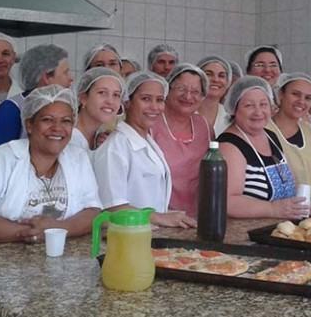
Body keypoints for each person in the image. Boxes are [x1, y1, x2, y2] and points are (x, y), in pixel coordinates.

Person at [0, 85, 102, 243]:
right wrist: (29, 233)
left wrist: (59, 229)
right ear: (29, 125)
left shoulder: (78, 158)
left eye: (66, 121)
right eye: (47, 120)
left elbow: (93, 211)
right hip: (3, 263)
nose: (57, 128)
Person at [93, 71, 197, 228]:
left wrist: (167, 216)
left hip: (147, 235)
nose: (154, 107)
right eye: (146, 99)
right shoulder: (115, 148)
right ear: (127, 102)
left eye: (160, 100)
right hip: (125, 240)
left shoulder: (147, 141)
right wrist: (159, 218)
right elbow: (112, 207)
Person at [217, 76, 307, 219]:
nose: (258, 112)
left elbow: (287, 179)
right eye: (249, 105)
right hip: (244, 234)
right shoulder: (229, 145)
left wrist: (302, 204)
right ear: (234, 109)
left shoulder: (271, 136)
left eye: (263, 104)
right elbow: (227, 201)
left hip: (278, 229)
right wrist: (272, 209)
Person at [0, 44, 73, 153]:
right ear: (46, 77)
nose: (71, 78)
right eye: (66, 72)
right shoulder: (11, 110)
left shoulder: (64, 108)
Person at [152, 64, 211, 218]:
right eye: (181, 89)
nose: (188, 96)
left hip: (199, 215)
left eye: (195, 92)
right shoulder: (152, 123)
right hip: (160, 216)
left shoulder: (204, 125)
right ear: (168, 90)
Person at [268, 73, 311, 215]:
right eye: (295, 94)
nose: (301, 101)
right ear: (280, 94)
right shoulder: (264, 131)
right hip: (275, 218)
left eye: (308, 98)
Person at [71, 67, 125, 154]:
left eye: (116, 95)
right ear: (83, 98)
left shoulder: (101, 138)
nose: (110, 101)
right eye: (102, 92)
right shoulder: (68, 139)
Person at [196, 55, 232, 136]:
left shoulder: (231, 118)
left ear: (228, 82)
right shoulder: (186, 113)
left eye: (221, 76)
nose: (216, 79)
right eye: (208, 74)